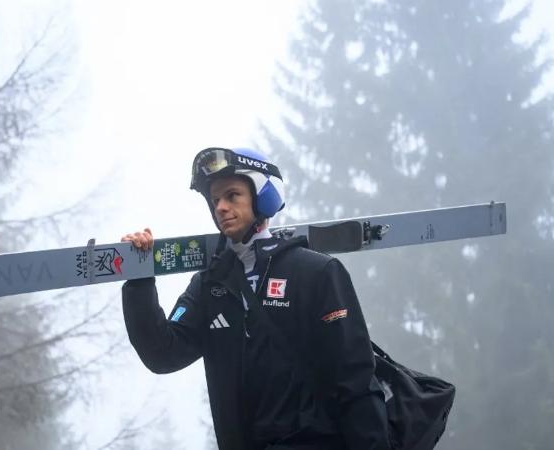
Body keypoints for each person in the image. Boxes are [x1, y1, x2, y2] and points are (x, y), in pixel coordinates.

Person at [121, 147, 389, 449]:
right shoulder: (210, 286)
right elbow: (162, 354)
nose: (220, 207)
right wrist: (139, 279)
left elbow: (355, 382)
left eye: (232, 195)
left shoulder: (316, 272)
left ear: (263, 197)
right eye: (214, 200)